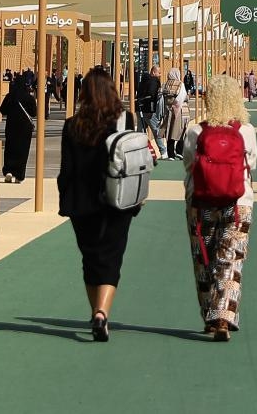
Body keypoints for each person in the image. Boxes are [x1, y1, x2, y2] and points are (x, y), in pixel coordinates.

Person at [59, 68, 141, 343]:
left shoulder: (72, 125)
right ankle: (102, 313)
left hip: (81, 202)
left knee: (90, 258)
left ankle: (95, 310)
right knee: (111, 258)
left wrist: (65, 197)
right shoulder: (126, 120)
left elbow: (66, 170)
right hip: (117, 200)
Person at [183, 74, 257, 342]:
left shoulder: (196, 131)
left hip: (200, 202)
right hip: (238, 203)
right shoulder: (245, 131)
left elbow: (188, 163)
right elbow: (252, 165)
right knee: (230, 260)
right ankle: (223, 316)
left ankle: (209, 315)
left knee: (203, 258)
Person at [0, 75, 38, 184]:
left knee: (10, 148)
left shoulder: (9, 96)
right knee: (22, 150)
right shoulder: (29, 98)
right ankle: (19, 175)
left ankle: (8, 171)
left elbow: (3, 110)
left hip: (11, 126)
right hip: (25, 128)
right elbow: (34, 113)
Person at [163, 67, 188, 159]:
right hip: (180, 111)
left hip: (168, 110)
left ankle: (170, 154)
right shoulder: (180, 84)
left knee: (170, 131)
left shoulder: (166, 84)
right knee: (181, 130)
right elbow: (183, 97)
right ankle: (179, 151)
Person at [137, 66, 162, 132]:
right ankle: (160, 143)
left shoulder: (143, 80)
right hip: (148, 109)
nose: (160, 75)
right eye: (159, 73)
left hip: (140, 108)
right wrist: (151, 110)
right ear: (153, 72)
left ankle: (141, 142)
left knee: (141, 131)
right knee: (157, 132)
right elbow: (151, 96)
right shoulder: (153, 81)